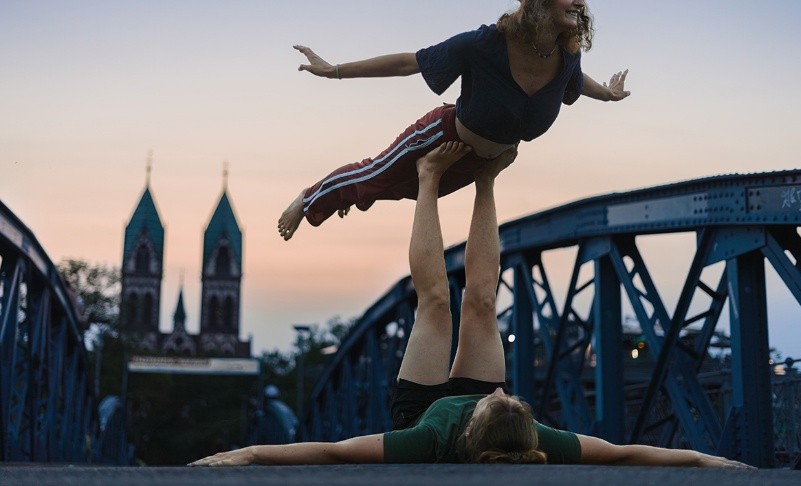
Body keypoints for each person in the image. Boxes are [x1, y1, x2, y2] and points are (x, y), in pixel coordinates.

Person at [191, 143, 752, 469]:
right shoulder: (533, 435)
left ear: (477, 425)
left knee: (435, 304)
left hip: (420, 407)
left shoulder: (426, 438)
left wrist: (247, 455)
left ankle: (427, 178)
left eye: (498, 399)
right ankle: (485, 179)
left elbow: (335, 452)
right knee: (482, 303)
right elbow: (626, 454)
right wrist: (709, 461)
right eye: (509, 396)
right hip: (485, 422)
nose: (503, 394)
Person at [278, 0, 630, 241]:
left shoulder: (566, 54)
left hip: (477, 163)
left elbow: (576, 80)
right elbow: (408, 63)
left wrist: (608, 95)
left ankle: (356, 195)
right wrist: (335, 70)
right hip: (440, 138)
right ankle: (308, 197)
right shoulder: (484, 44)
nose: (580, 3)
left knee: (402, 192)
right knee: (374, 174)